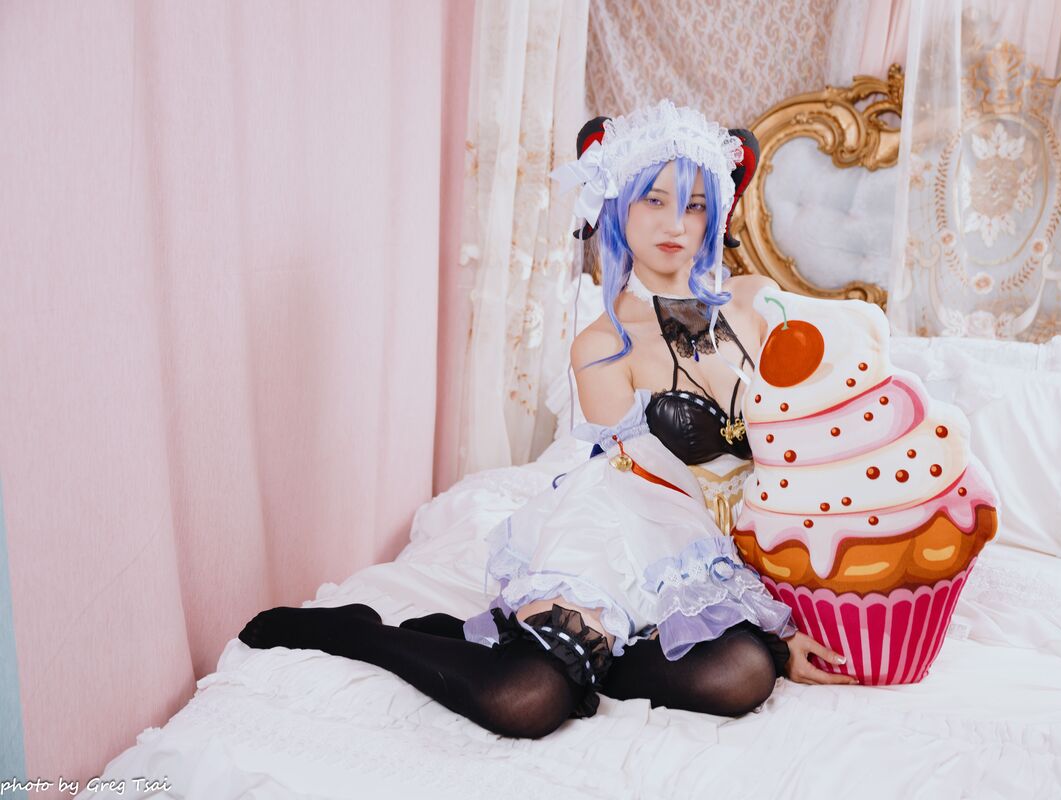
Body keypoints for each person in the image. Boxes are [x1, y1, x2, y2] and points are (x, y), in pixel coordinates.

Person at [238, 100, 857, 741]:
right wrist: (758, 609)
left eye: (695, 205)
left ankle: (543, 651)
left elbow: (838, 404)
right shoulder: (603, 344)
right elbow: (652, 482)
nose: (675, 223)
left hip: (734, 547)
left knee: (742, 674)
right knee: (528, 701)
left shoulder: (756, 304)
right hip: (637, 531)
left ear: (718, 212)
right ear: (617, 205)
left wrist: (786, 606)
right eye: (653, 200)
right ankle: (357, 633)